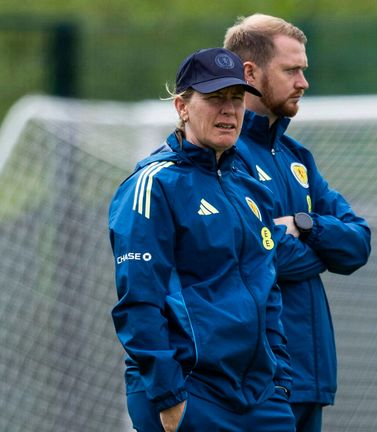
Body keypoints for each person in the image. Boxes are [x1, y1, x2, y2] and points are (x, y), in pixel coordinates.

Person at [108, 47, 295, 432]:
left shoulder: (250, 186)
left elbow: (267, 288)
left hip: (260, 397)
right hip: (191, 394)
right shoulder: (154, 185)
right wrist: (168, 395)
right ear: (182, 106)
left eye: (236, 99)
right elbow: (139, 302)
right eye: (214, 98)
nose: (228, 110)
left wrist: (279, 379)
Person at [224, 14, 372, 432]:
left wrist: (306, 224)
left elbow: (358, 243)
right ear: (249, 73)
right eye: (292, 70)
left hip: (311, 377)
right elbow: (262, 255)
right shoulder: (226, 156)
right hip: (258, 381)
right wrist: (317, 252)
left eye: (303, 70)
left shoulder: (297, 157)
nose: (303, 82)